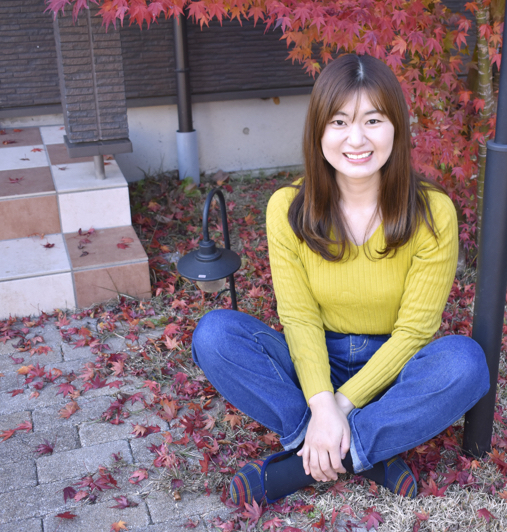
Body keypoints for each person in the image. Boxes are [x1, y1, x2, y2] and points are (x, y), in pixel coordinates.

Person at [191, 54, 490, 507]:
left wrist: (340, 406)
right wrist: (320, 401)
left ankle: (305, 464)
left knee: (465, 364)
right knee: (214, 335)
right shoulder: (287, 208)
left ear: (396, 127)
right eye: (339, 122)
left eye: (373, 120)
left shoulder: (432, 213)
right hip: (314, 359)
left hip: (392, 371)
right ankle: (360, 451)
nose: (356, 139)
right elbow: (299, 317)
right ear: (319, 131)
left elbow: (414, 333)